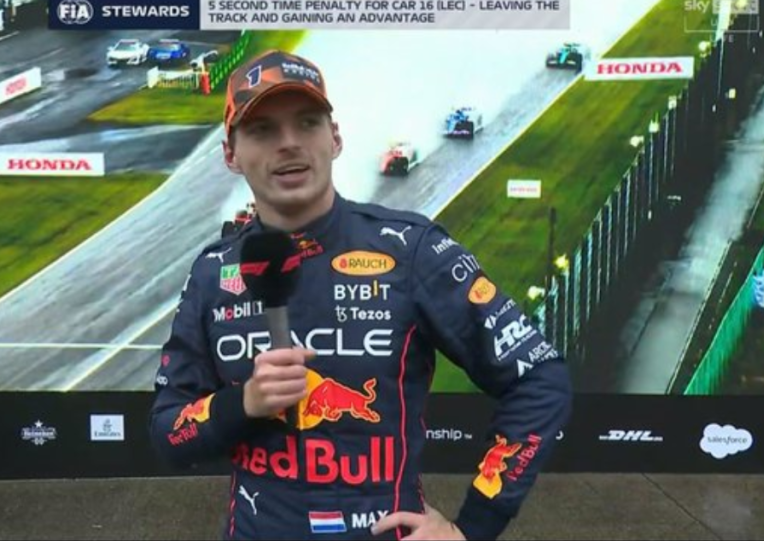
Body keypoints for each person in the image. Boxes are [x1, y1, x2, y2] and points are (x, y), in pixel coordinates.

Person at [148, 49, 573, 540]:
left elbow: (540, 378)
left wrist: (471, 527)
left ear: (335, 138)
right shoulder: (212, 272)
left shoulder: (414, 250)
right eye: (263, 130)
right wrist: (243, 402)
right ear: (231, 154)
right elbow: (167, 433)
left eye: (307, 123)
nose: (289, 143)